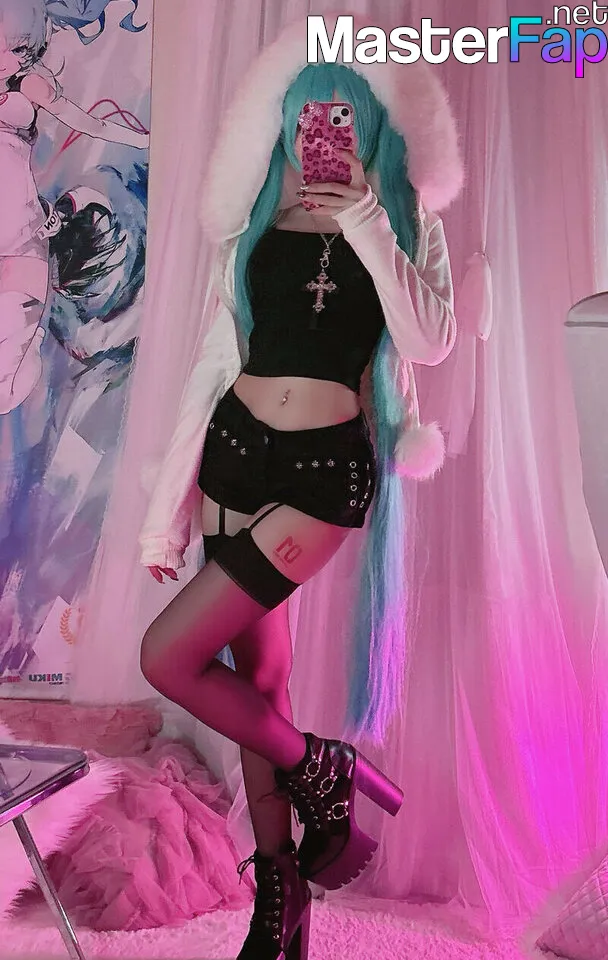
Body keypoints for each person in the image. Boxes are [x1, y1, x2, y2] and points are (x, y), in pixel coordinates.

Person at [138, 16, 463, 960]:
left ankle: (324, 766)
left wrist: (365, 215)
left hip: (322, 472)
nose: (321, 131)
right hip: (234, 454)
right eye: (307, 114)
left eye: (340, 115)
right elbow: (212, 367)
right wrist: (163, 520)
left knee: (167, 657)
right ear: (284, 121)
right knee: (258, 681)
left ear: (368, 122)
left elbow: (429, 340)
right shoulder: (253, 222)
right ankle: (280, 900)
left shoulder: (403, 216)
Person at [0, 0, 148, 415]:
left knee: (11, 358)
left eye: (18, 48)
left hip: (20, 226)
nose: (6, 59)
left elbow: (91, 123)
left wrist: (147, 141)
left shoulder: (28, 85)